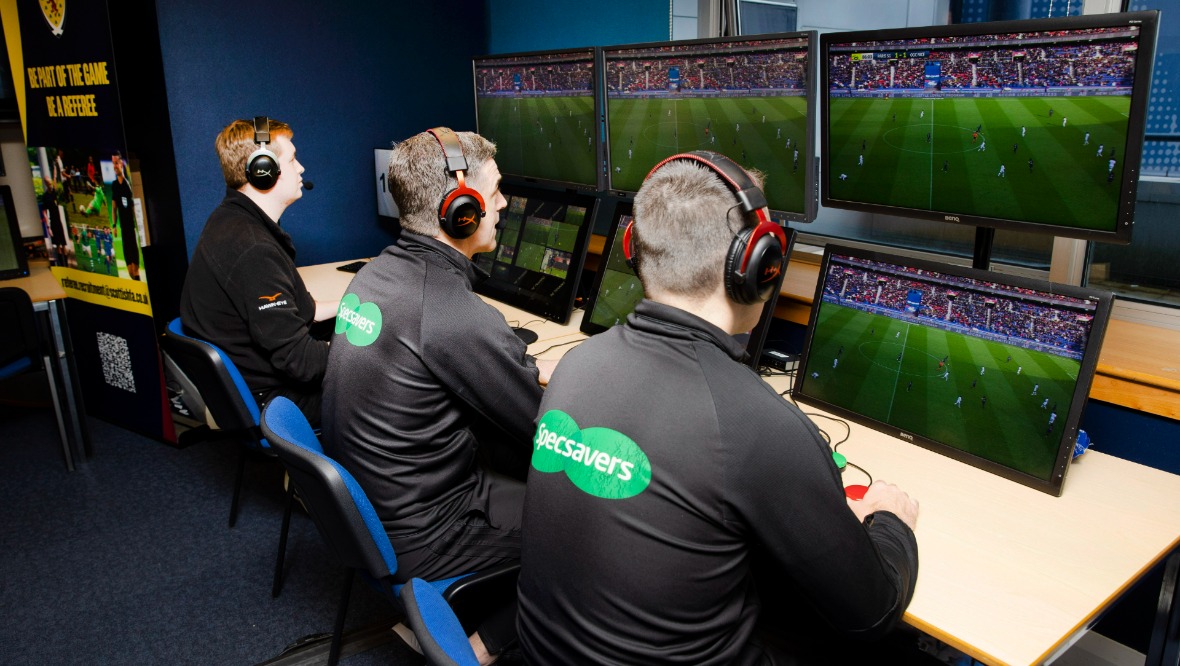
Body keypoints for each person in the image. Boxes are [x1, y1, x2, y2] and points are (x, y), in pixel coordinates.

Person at [518, 153, 919, 664]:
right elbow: (872, 615)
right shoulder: (756, 424)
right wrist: (890, 522)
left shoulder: (575, 364)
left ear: (633, 251)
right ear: (757, 266)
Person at [322, 127, 556, 664]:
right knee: (595, 528)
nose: (503, 203)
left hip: (378, 510)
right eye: (494, 192)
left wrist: (505, 363)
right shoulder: (452, 313)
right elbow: (546, 431)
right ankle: (480, 647)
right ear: (461, 209)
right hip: (429, 530)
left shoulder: (376, 276)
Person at [179, 117, 327, 424]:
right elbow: (300, 362)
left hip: (254, 384)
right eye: (293, 159)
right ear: (263, 171)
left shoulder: (230, 220)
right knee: (393, 385)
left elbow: (300, 312)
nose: (300, 168)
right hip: (275, 404)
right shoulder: (252, 248)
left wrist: (361, 303)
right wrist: (369, 353)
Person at [109, 153, 141, 280]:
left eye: (116, 163)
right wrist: (114, 225)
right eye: (113, 163)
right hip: (123, 227)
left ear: (121, 163)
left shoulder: (128, 184)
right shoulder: (114, 185)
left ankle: (137, 276)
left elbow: (133, 206)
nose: (114, 166)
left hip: (131, 226)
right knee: (129, 270)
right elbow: (114, 207)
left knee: (135, 266)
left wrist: (138, 224)